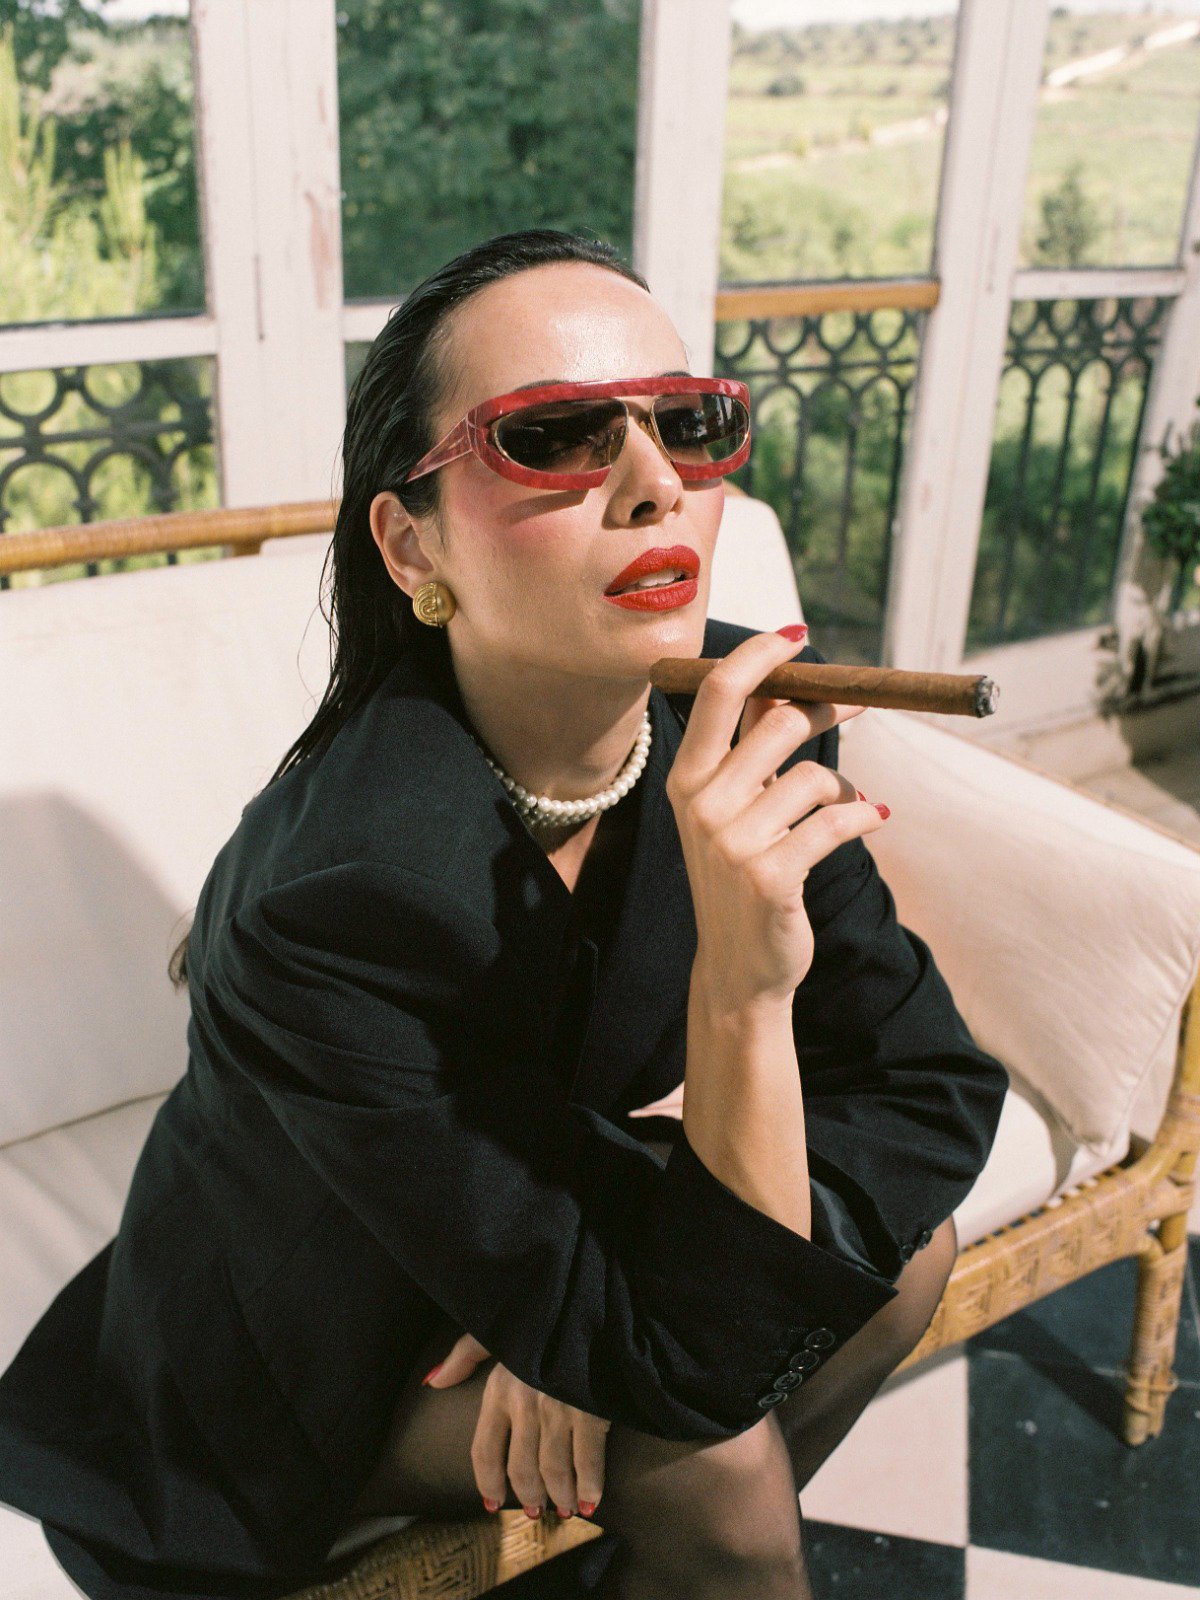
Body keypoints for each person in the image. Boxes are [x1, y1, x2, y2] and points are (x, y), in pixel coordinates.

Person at [0, 228, 1007, 1600]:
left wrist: (592, 1324)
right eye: (556, 437)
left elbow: (929, 1083)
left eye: (687, 422)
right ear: (412, 542)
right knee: (708, 1460)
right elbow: (699, 1374)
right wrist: (744, 987)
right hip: (309, 1335)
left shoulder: (742, 716)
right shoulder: (334, 899)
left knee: (906, 1259)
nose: (656, 484)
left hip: (509, 1214)